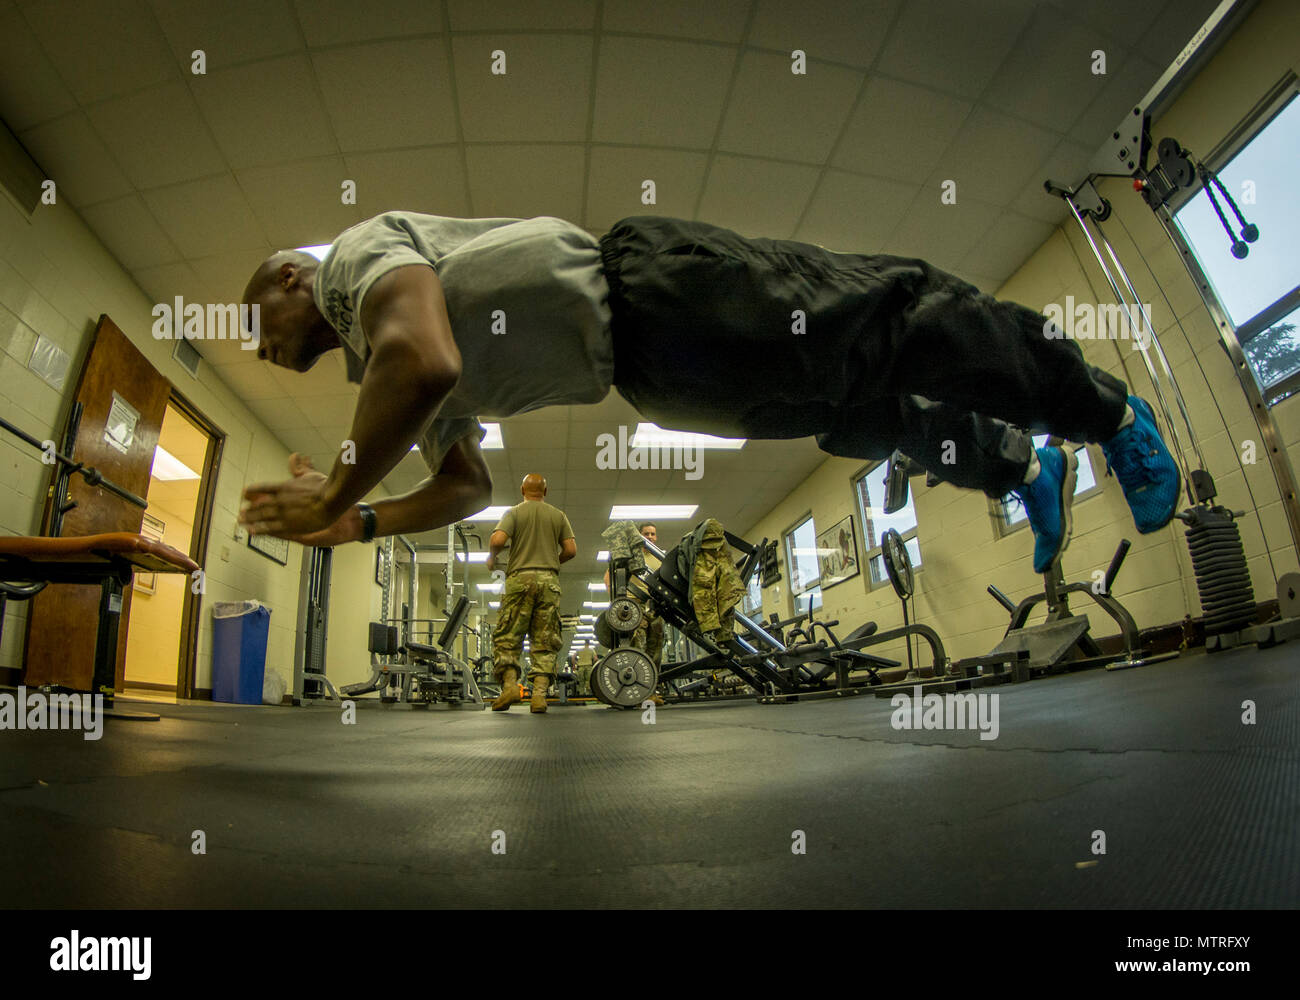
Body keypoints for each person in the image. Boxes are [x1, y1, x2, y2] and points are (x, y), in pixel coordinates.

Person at [236, 213, 1180, 577]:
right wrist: (363, 526)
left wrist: (335, 493)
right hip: (651, 377)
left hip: (653, 294)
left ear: (287, 275)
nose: (265, 352)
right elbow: (466, 487)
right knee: (864, 416)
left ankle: (1107, 414)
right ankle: (1018, 469)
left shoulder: (350, 265)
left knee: (896, 326)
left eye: (256, 325)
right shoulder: (374, 366)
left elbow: (429, 356)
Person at [484, 473, 576, 714]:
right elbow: (571, 549)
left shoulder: (514, 512)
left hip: (519, 579)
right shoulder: (558, 515)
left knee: (508, 636)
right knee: (545, 640)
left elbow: (498, 539)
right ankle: (538, 697)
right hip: (549, 582)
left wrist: (492, 558)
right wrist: (552, 562)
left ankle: (511, 687)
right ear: (545, 492)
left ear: (522, 490)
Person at [603, 521, 665, 705]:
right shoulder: (632, 556)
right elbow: (608, 578)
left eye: (653, 534)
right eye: (646, 534)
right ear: (640, 536)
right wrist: (619, 602)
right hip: (635, 607)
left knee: (655, 651)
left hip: (655, 607)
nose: (650, 537)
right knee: (638, 649)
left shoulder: (660, 557)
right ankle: (636, 693)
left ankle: (650, 692)